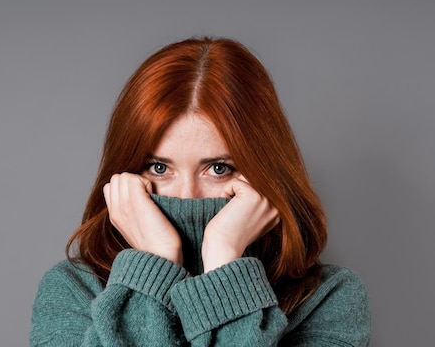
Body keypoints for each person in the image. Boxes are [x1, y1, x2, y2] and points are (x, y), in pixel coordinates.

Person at [30, 37, 371, 346]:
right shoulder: (72, 291)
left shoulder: (328, 298)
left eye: (219, 168)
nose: (186, 195)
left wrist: (225, 258)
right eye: (159, 168)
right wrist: (154, 262)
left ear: (264, 172)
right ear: (126, 173)